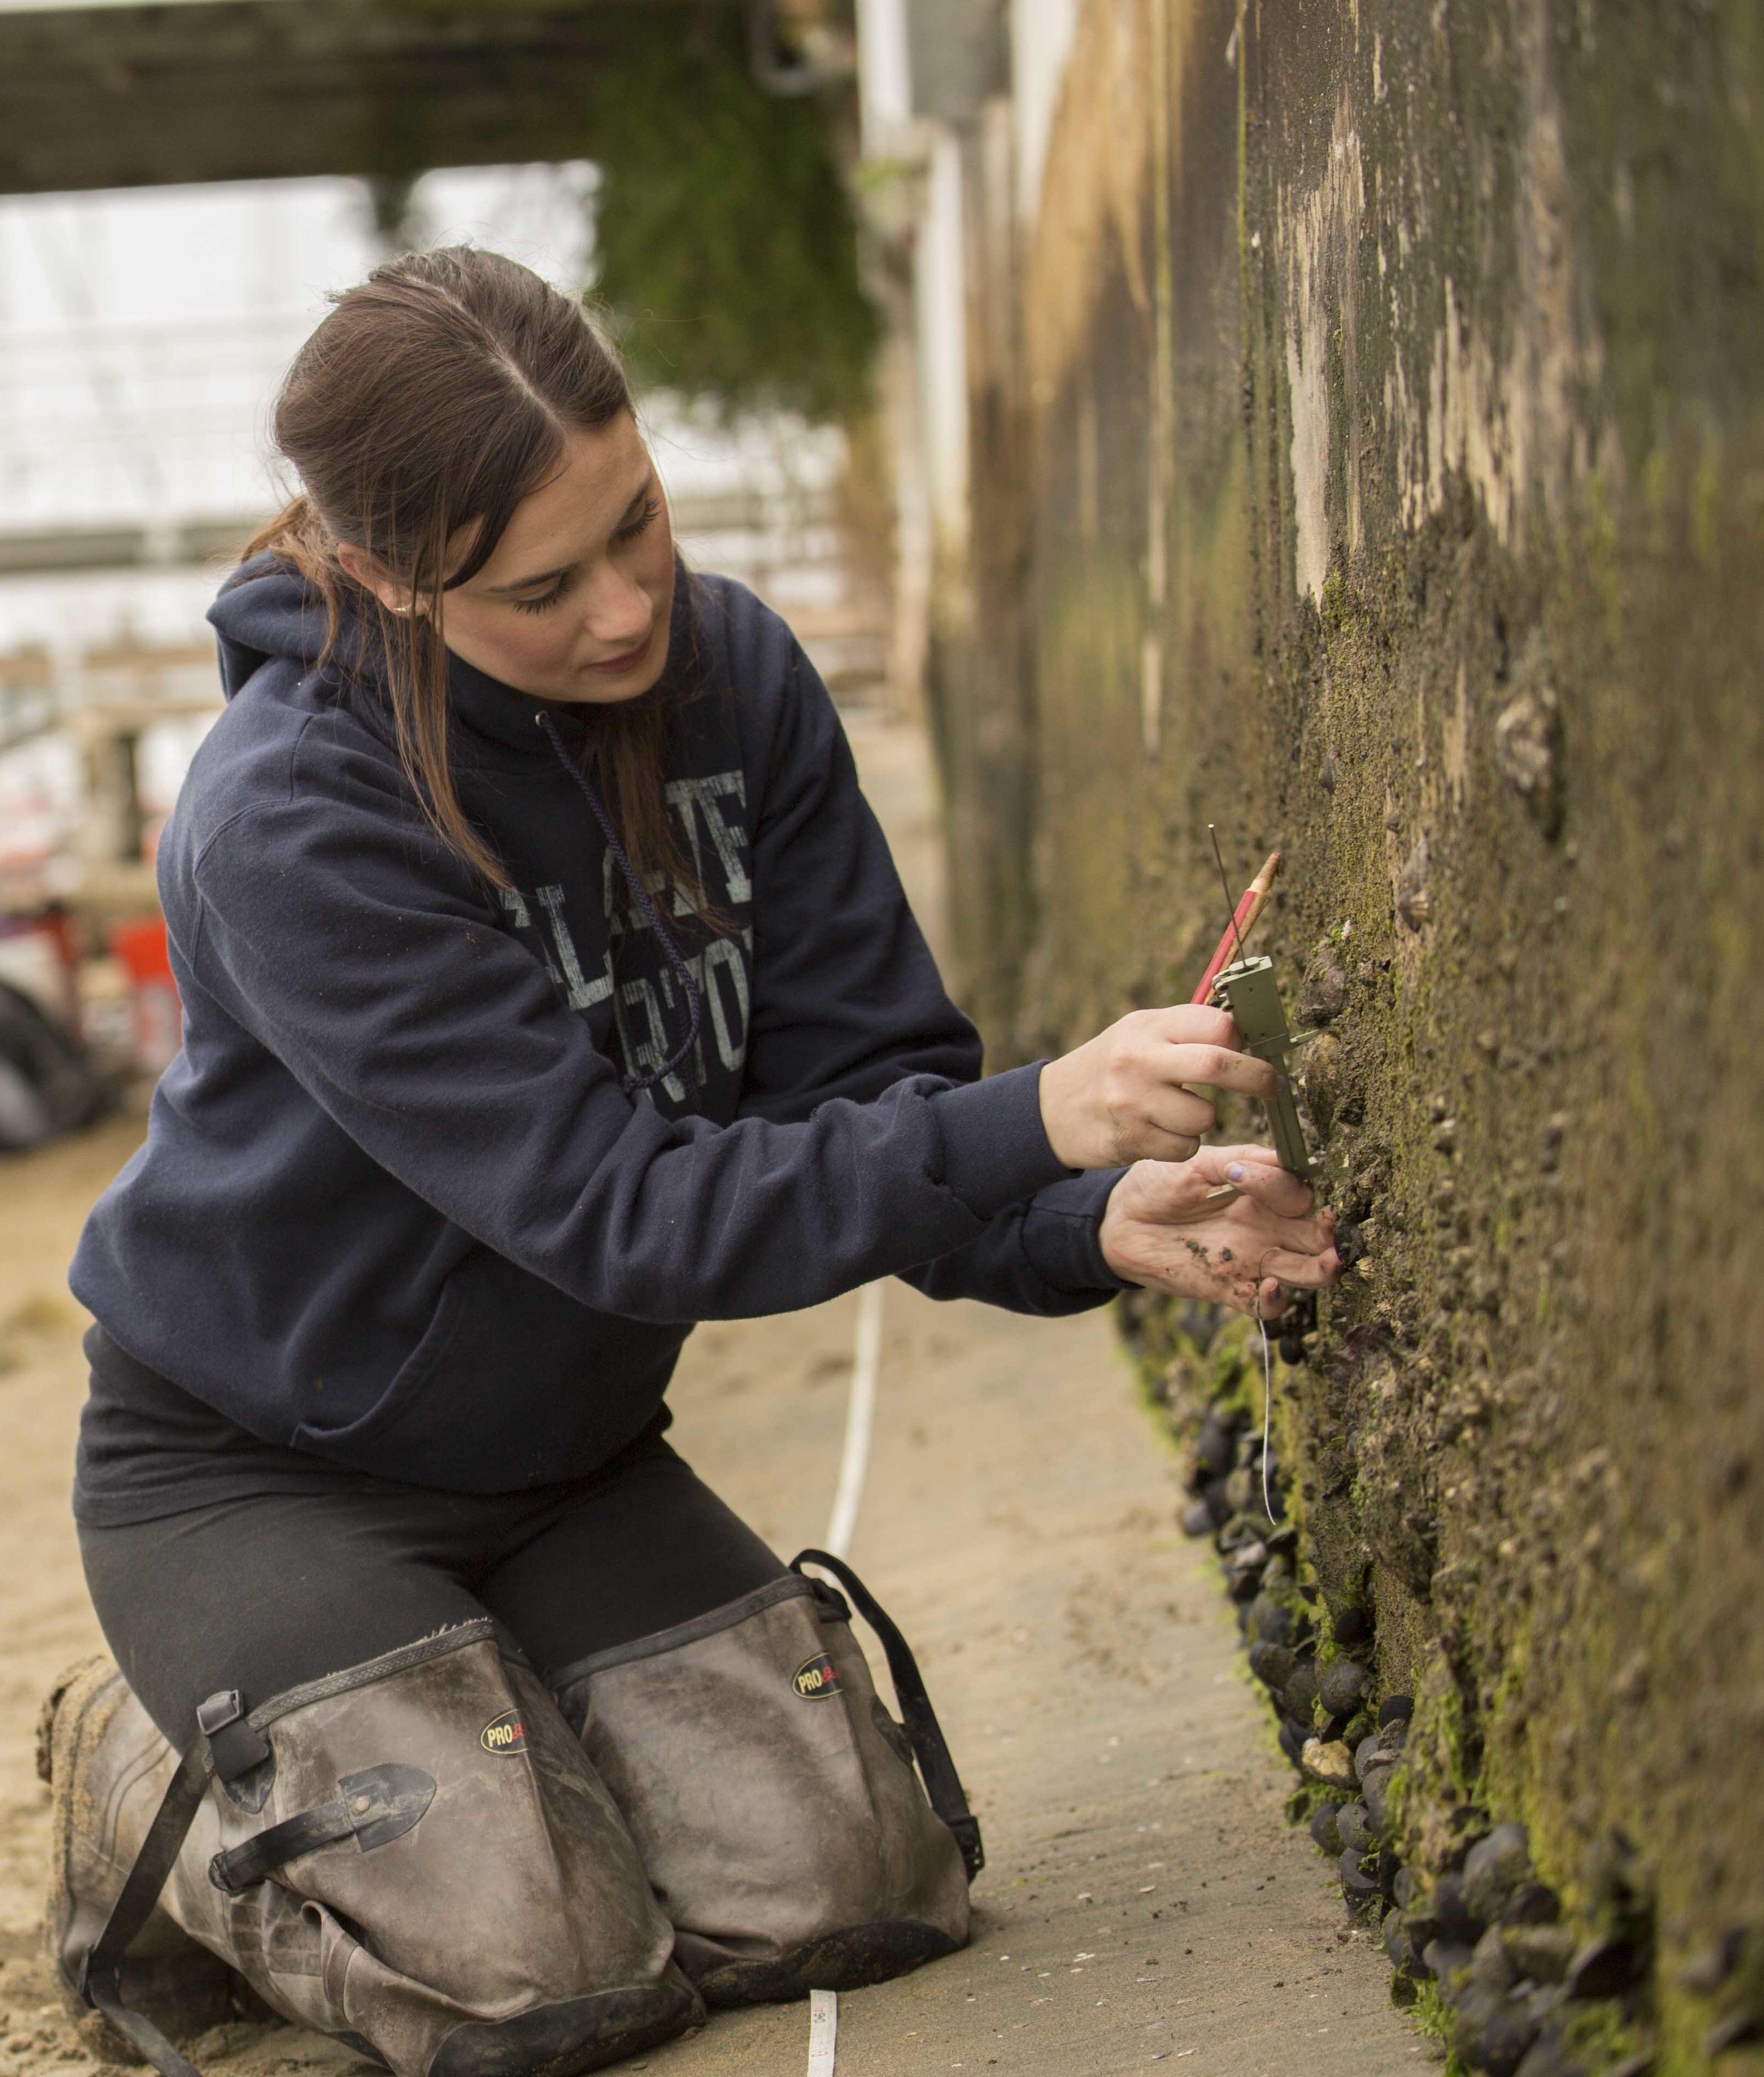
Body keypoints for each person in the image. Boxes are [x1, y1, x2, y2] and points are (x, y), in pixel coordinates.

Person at [45, 248, 1338, 2077]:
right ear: (382, 579)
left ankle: (483, 1731)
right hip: (269, 1477)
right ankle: (156, 1787)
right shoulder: (293, 819)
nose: (629, 606)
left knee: (859, 1892)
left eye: (636, 520)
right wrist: (1039, 1114)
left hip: (565, 1463)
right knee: (535, 1982)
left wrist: (1089, 1215)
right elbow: (618, 1211)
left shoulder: (735, 671)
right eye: (540, 588)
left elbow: (878, 1087)